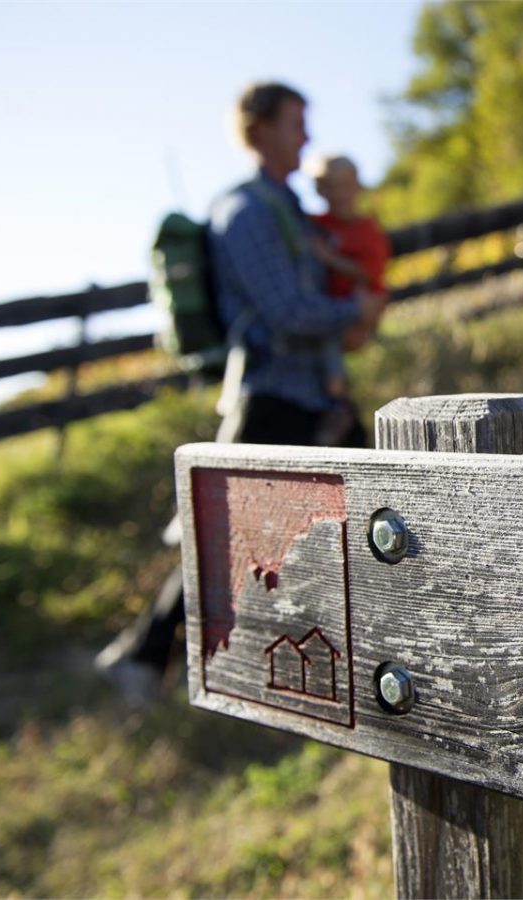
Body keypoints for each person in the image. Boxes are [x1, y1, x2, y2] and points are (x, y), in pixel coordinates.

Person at [96, 82, 381, 705]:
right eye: (294, 124)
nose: (306, 138)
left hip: (315, 395)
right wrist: (354, 308)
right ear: (258, 131)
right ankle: (145, 656)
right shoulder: (247, 211)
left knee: (351, 516)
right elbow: (284, 311)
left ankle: (348, 651)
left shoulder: (288, 209)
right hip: (273, 395)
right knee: (225, 539)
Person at [307, 154, 391, 445]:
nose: (340, 194)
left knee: (329, 341)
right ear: (320, 190)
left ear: (358, 187)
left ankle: (337, 402)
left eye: (346, 186)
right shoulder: (315, 223)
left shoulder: (367, 230)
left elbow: (370, 274)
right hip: (332, 307)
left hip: (358, 306)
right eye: (331, 187)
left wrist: (330, 259)